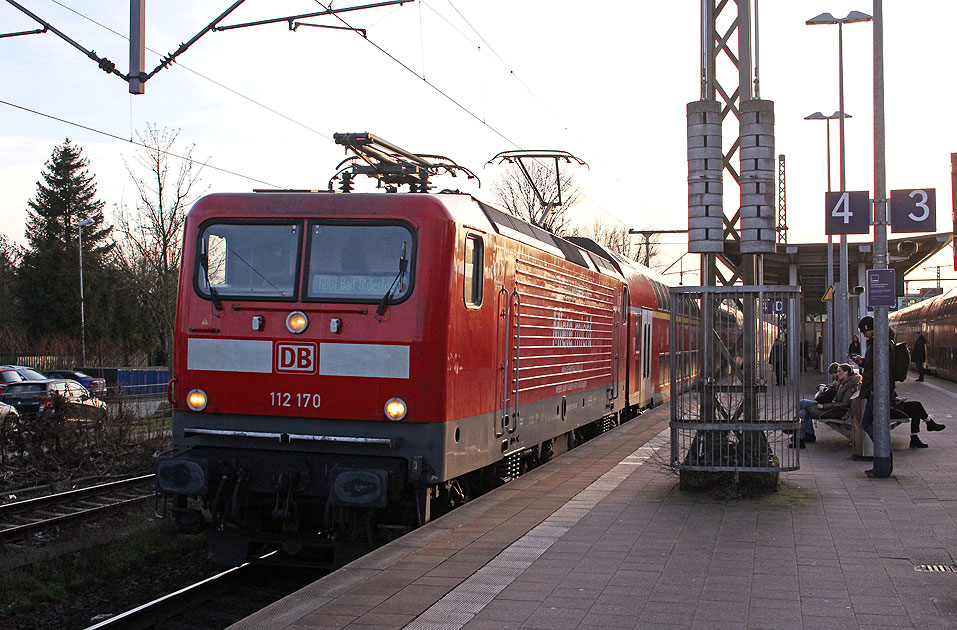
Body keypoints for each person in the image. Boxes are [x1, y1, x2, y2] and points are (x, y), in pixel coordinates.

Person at [852, 316, 895, 477]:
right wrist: (862, 362)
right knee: (868, 423)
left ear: (871, 329)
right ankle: (883, 455)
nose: (863, 335)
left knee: (869, 423)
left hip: (876, 391)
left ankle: (884, 455)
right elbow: (873, 366)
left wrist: (875, 389)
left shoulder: (880, 344)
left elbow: (881, 369)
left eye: (865, 332)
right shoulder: (879, 343)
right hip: (875, 389)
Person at [795, 363, 859, 448]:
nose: (837, 374)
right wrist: (821, 387)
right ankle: (801, 437)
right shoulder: (840, 382)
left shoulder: (850, 386)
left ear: (846, 372)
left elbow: (844, 404)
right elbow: (830, 387)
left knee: (802, 403)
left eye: (839, 372)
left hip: (835, 411)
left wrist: (824, 406)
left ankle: (803, 434)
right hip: (831, 407)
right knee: (802, 413)